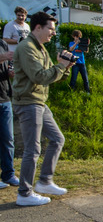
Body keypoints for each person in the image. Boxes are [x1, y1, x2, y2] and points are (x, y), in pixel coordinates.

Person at [12, 11, 74, 206]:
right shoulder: (26, 47)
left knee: (57, 139)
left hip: (38, 102)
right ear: (38, 27)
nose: (53, 33)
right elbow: (39, 76)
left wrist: (65, 68)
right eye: (51, 29)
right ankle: (24, 193)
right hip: (28, 102)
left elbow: (49, 75)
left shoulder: (40, 48)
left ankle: (45, 181)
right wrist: (60, 67)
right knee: (33, 149)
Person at [1, 39, 19, 188]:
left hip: (4, 97)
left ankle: (9, 174)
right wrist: (4, 56)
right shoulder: (5, 51)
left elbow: (6, 65)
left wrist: (10, 71)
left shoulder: (2, 43)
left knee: (8, 139)